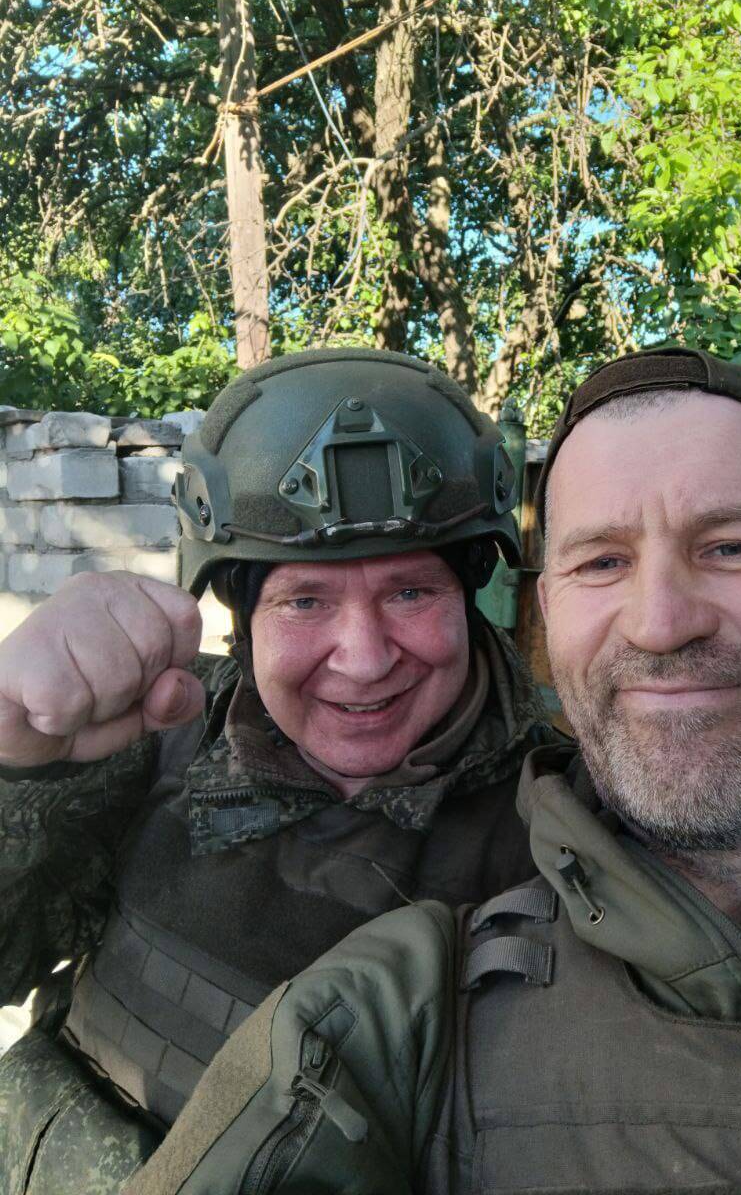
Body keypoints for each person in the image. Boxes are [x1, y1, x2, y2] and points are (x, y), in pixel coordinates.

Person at [127, 345, 741, 1195]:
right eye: (603, 562)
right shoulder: (401, 999)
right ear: (550, 613)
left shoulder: (515, 834)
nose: (661, 623)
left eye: (732, 547)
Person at [0, 348, 559, 1194]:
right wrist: (16, 766)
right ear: (242, 613)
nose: (364, 660)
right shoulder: (158, 740)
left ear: (470, 593)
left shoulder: (569, 821)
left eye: (411, 592)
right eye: (305, 600)